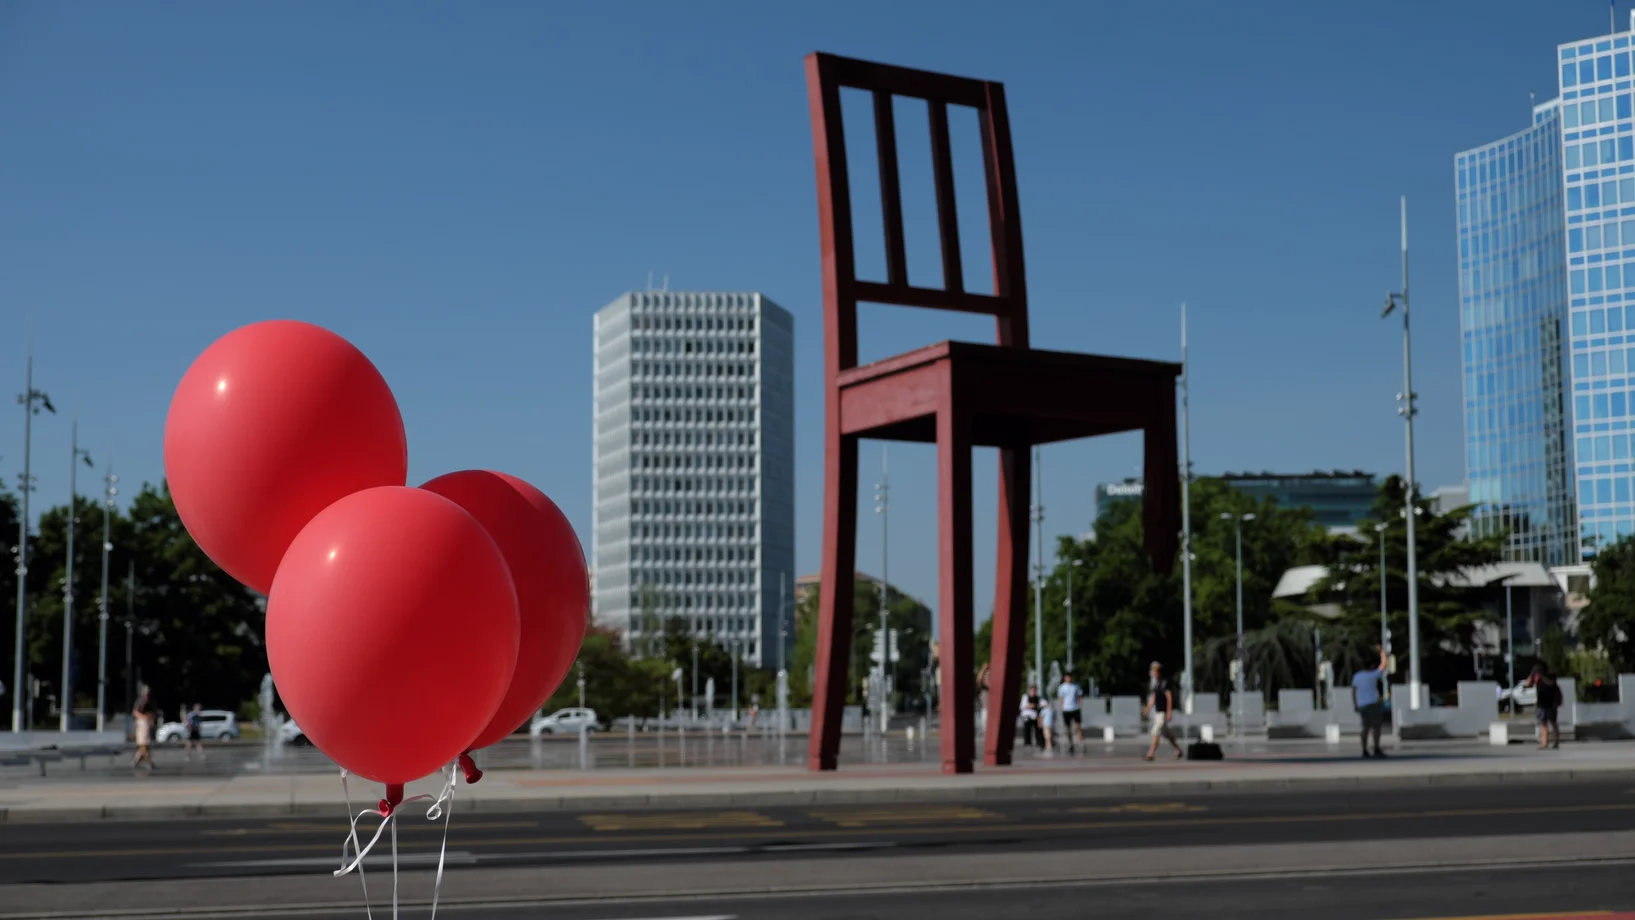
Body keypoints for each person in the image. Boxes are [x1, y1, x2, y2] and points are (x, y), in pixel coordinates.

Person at [1351, 644, 1390, 759]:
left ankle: (1364, 750)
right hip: (1373, 704)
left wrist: (1355, 704)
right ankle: (1376, 748)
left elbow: (1353, 691)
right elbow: (1384, 665)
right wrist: (1382, 651)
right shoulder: (1373, 675)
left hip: (1362, 705)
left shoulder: (1357, 676)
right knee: (1376, 728)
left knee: (1365, 728)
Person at [1143, 662, 1183, 761]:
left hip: (1163, 713)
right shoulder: (1156, 684)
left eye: (1154, 671)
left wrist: (1169, 712)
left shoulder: (1164, 682)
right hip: (1158, 712)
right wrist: (1147, 709)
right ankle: (1178, 750)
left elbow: (1169, 698)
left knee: (1155, 731)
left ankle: (1151, 753)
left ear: (1158, 672)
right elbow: (1153, 698)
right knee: (1167, 734)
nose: (1152, 673)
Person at [1526, 664, 1562, 749]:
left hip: (1546, 703)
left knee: (1548, 723)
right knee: (1548, 723)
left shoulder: (1544, 676)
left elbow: (1549, 683)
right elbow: (1528, 684)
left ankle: (1550, 742)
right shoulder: (1544, 676)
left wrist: (1539, 677)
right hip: (1546, 703)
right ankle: (1550, 742)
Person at [1057, 672, 1085, 753]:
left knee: (1078, 726)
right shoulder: (1062, 687)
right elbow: (1061, 698)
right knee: (1068, 728)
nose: (1069, 679)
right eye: (1067, 677)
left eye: (1070, 677)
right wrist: (1062, 706)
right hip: (1066, 709)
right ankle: (1070, 743)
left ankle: (1081, 742)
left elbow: (1079, 696)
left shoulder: (1076, 686)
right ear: (1065, 678)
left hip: (1075, 708)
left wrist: (1080, 705)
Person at [131, 690, 155, 772]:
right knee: (143, 744)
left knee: (146, 744)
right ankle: (149, 762)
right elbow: (135, 712)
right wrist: (144, 717)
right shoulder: (140, 702)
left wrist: (150, 720)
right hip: (142, 724)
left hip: (146, 724)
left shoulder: (148, 703)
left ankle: (136, 761)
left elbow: (151, 714)